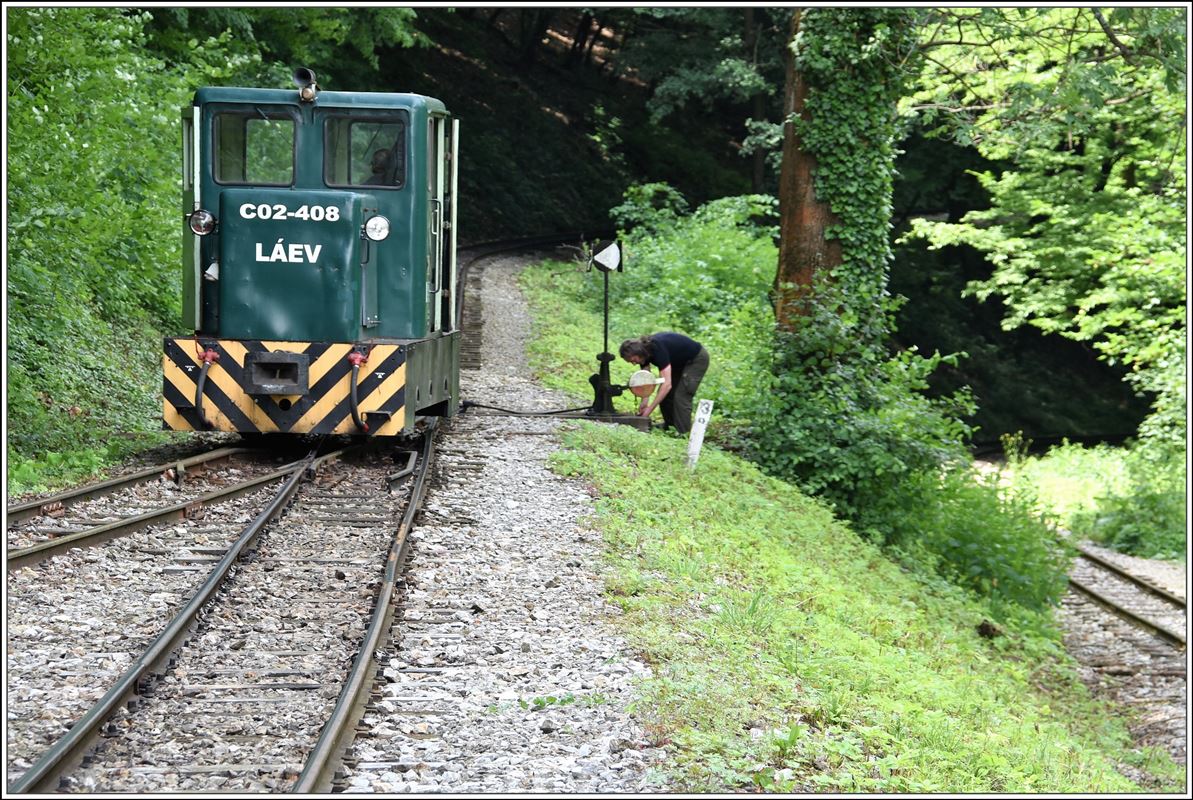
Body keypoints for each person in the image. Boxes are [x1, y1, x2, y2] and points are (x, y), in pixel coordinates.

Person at [619, 332, 709, 433]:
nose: (634, 363)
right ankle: (670, 426)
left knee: (681, 395)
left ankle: (683, 433)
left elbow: (667, 385)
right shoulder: (644, 354)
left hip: (696, 359)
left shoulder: (657, 349)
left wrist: (649, 410)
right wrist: (644, 402)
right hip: (678, 362)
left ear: (638, 352)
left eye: (633, 360)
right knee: (666, 394)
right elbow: (646, 380)